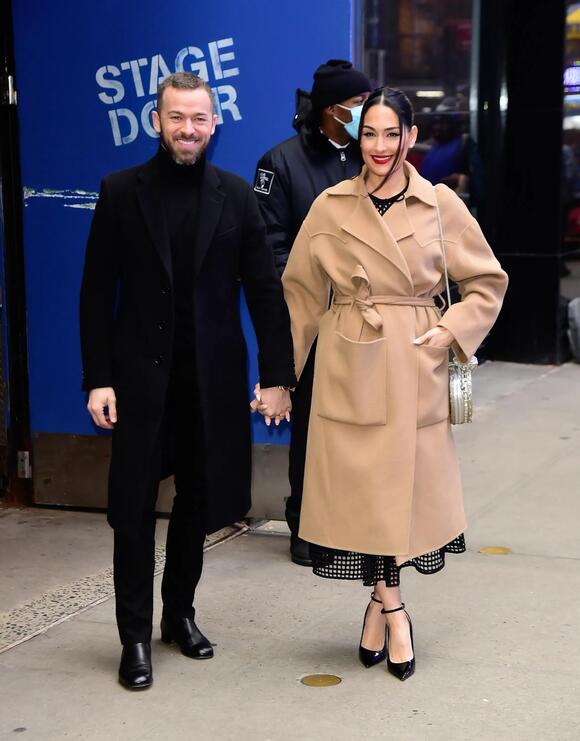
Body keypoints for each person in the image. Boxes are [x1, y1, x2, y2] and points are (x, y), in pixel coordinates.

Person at [280, 87, 508, 681]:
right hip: (348, 364)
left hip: (413, 363)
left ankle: (384, 608)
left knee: (398, 499)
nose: (380, 146)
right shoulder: (329, 205)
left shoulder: (439, 205)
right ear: (358, 137)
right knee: (364, 498)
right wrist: (282, 377)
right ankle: (393, 608)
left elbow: (487, 281)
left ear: (411, 137)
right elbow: (301, 293)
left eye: (391, 134)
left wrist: (449, 331)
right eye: (370, 134)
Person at [80, 72, 295, 691]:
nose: (188, 129)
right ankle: (133, 638)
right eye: (177, 117)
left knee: (197, 507)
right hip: (141, 386)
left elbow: (263, 292)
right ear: (157, 122)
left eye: (199, 119)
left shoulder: (235, 196)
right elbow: (97, 294)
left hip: (210, 386)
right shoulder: (121, 192)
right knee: (132, 514)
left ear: (214, 123)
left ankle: (178, 616)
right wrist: (99, 378)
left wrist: (276, 376)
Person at [254, 59, 371, 566]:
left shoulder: (375, 156)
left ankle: (356, 520)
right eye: (355, 107)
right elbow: (269, 247)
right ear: (330, 110)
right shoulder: (280, 163)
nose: (363, 116)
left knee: (363, 423)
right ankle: (305, 523)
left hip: (367, 319)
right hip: (312, 317)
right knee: (311, 426)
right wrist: (316, 288)